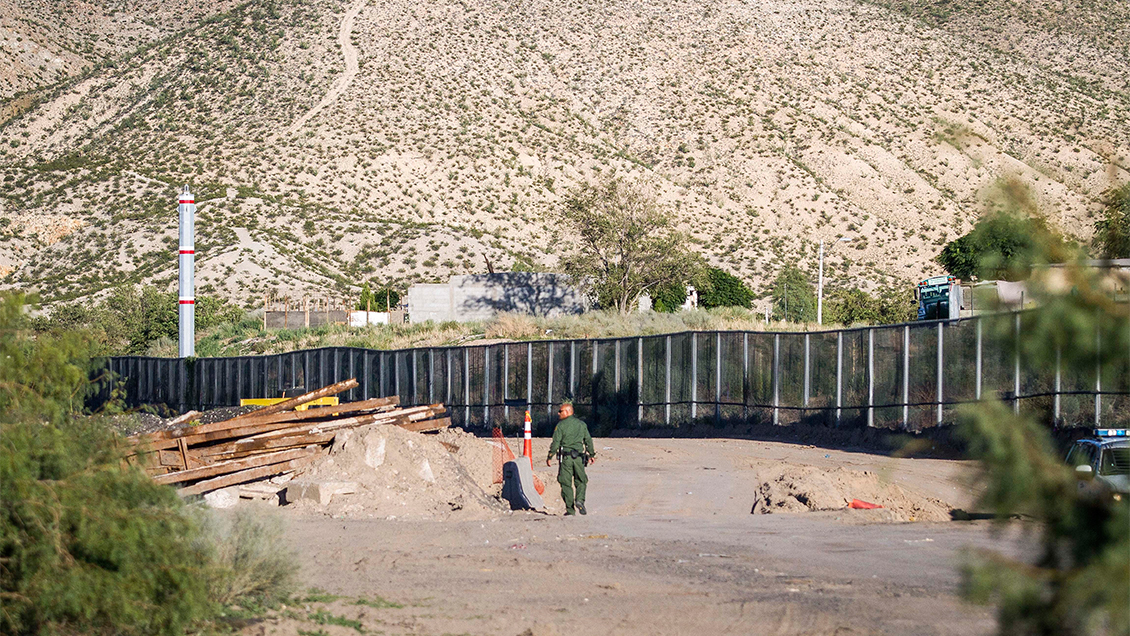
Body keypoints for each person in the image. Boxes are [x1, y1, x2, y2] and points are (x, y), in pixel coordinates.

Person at [546, 402, 596, 516]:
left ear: (568, 411)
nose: (558, 413)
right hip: (579, 458)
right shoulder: (581, 424)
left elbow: (556, 442)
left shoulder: (561, 425)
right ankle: (580, 500)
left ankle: (570, 510)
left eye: (561, 411)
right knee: (581, 480)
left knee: (565, 483)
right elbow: (588, 440)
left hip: (566, 459)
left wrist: (550, 456)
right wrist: (592, 454)